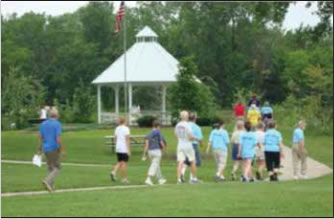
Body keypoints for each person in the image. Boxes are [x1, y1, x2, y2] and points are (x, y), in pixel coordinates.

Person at [37, 107, 64, 192]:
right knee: (57, 167)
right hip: (54, 147)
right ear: (56, 115)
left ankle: (51, 187)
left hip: (46, 148)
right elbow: (58, 138)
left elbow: (40, 137)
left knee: (50, 168)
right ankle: (47, 181)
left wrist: (39, 149)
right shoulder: (57, 124)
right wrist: (61, 148)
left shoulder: (43, 124)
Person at [174, 111, 201, 184]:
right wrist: (198, 139)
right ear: (186, 117)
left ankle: (179, 179)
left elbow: (176, 134)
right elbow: (190, 137)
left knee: (180, 162)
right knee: (192, 161)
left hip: (180, 144)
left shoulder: (178, 125)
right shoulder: (187, 125)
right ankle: (194, 178)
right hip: (187, 145)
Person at [143, 120, 167, 186]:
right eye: (160, 127)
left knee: (156, 165)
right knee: (154, 165)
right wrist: (164, 150)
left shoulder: (148, 133)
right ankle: (149, 178)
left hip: (150, 151)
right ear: (158, 126)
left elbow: (146, 144)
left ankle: (160, 179)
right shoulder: (158, 132)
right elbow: (161, 143)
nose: (160, 128)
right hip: (157, 151)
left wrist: (144, 153)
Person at [181, 112, 203, 182]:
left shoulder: (185, 126)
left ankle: (182, 174)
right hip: (193, 145)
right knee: (194, 162)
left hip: (185, 144)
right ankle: (192, 178)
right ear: (195, 118)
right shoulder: (197, 127)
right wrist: (201, 144)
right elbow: (200, 139)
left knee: (186, 161)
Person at [110, 117, 131, 184]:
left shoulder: (117, 128)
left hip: (118, 148)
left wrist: (116, 146)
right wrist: (128, 150)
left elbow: (115, 138)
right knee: (124, 163)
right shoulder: (126, 129)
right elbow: (127, 139)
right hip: (123, 148)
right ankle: (124, 179)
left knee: (120, 162)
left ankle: (113, 172)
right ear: (124, 121)